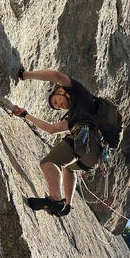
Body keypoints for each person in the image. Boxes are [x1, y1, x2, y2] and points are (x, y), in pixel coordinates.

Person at [13, 67, 102, 217]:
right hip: (94, 154)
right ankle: (67, 204)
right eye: (56, 107)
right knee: (69, 169)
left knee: (49, 163)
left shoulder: (79, 94)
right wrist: (26, 115)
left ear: (61, 91)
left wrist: (24, 75)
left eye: (56, 101)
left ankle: (55, 200)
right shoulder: (76, 115)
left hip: (84, 139)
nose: (58, 105)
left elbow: (55, 75)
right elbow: (52, 129)